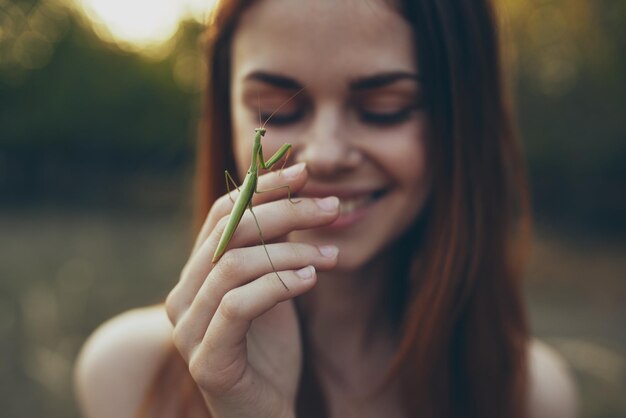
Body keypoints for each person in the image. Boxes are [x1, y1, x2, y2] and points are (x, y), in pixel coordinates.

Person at [74, 0, 578, 417]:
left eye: (385, 109)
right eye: (281, 108)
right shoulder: (128, 378)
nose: (325, 154)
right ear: (222, 110)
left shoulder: (531, 399)